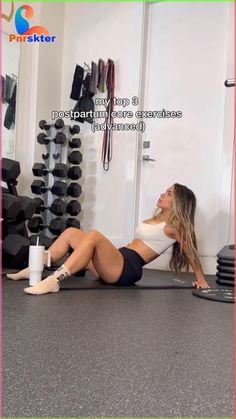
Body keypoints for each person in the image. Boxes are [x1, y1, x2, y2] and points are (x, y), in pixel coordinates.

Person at [7, 183, 210, 295]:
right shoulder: (156, 218)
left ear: (178, 201)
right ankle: (35, 269)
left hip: (128, 268)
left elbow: (190, 251)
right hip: (118, 260)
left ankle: (54, 280)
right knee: (71, 233)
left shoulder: (174, 228)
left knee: (93, 235)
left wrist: (200, 278)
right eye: (165, 191)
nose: (162, 194)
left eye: (168, 193)